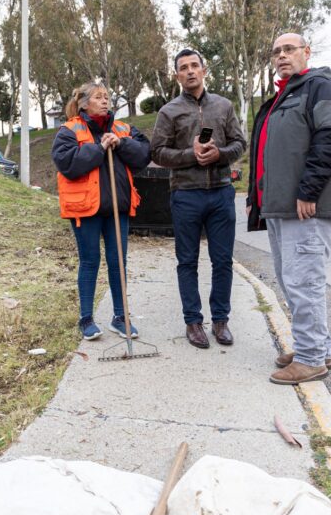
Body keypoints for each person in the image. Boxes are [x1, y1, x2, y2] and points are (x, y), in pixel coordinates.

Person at [246, 33, 331, 385]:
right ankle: (317, 349)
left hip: (306, 207)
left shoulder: (320, 88)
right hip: (279, 207)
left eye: (289, 49)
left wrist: (310, 190)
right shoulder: (283, 95)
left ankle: (309, 359)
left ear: (306, 52)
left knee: (304, 282)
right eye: (276, 51)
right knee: (292, 280)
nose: (281, 55)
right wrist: (255, 196)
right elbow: (267, 151)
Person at [150, 49, 246, 349]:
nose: (190, 71)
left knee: (222, 261)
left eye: (195, 66)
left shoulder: (224, 106)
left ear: (204, 70)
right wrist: (191, 155)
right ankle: (193, 322)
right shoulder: (169, 112)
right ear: (177, 75)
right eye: (183, 68)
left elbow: (240, 143)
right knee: (187, 261)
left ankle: (221, 321)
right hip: (186, 195)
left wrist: (220, 155)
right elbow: (157, 153)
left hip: (220, 192)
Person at [52, 81, 151, 340]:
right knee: (90, 261)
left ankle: (120, 317)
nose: (105, 100)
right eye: (98, 97)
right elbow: (67, 163)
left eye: (107, 96)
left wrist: (121, 144)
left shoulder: (123, 129)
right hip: (85, 209)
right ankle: (86, 319)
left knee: (118, 261)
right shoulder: (69, 130)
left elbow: (144, 154)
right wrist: (99, 148)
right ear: (84, 103)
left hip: (117, 208)